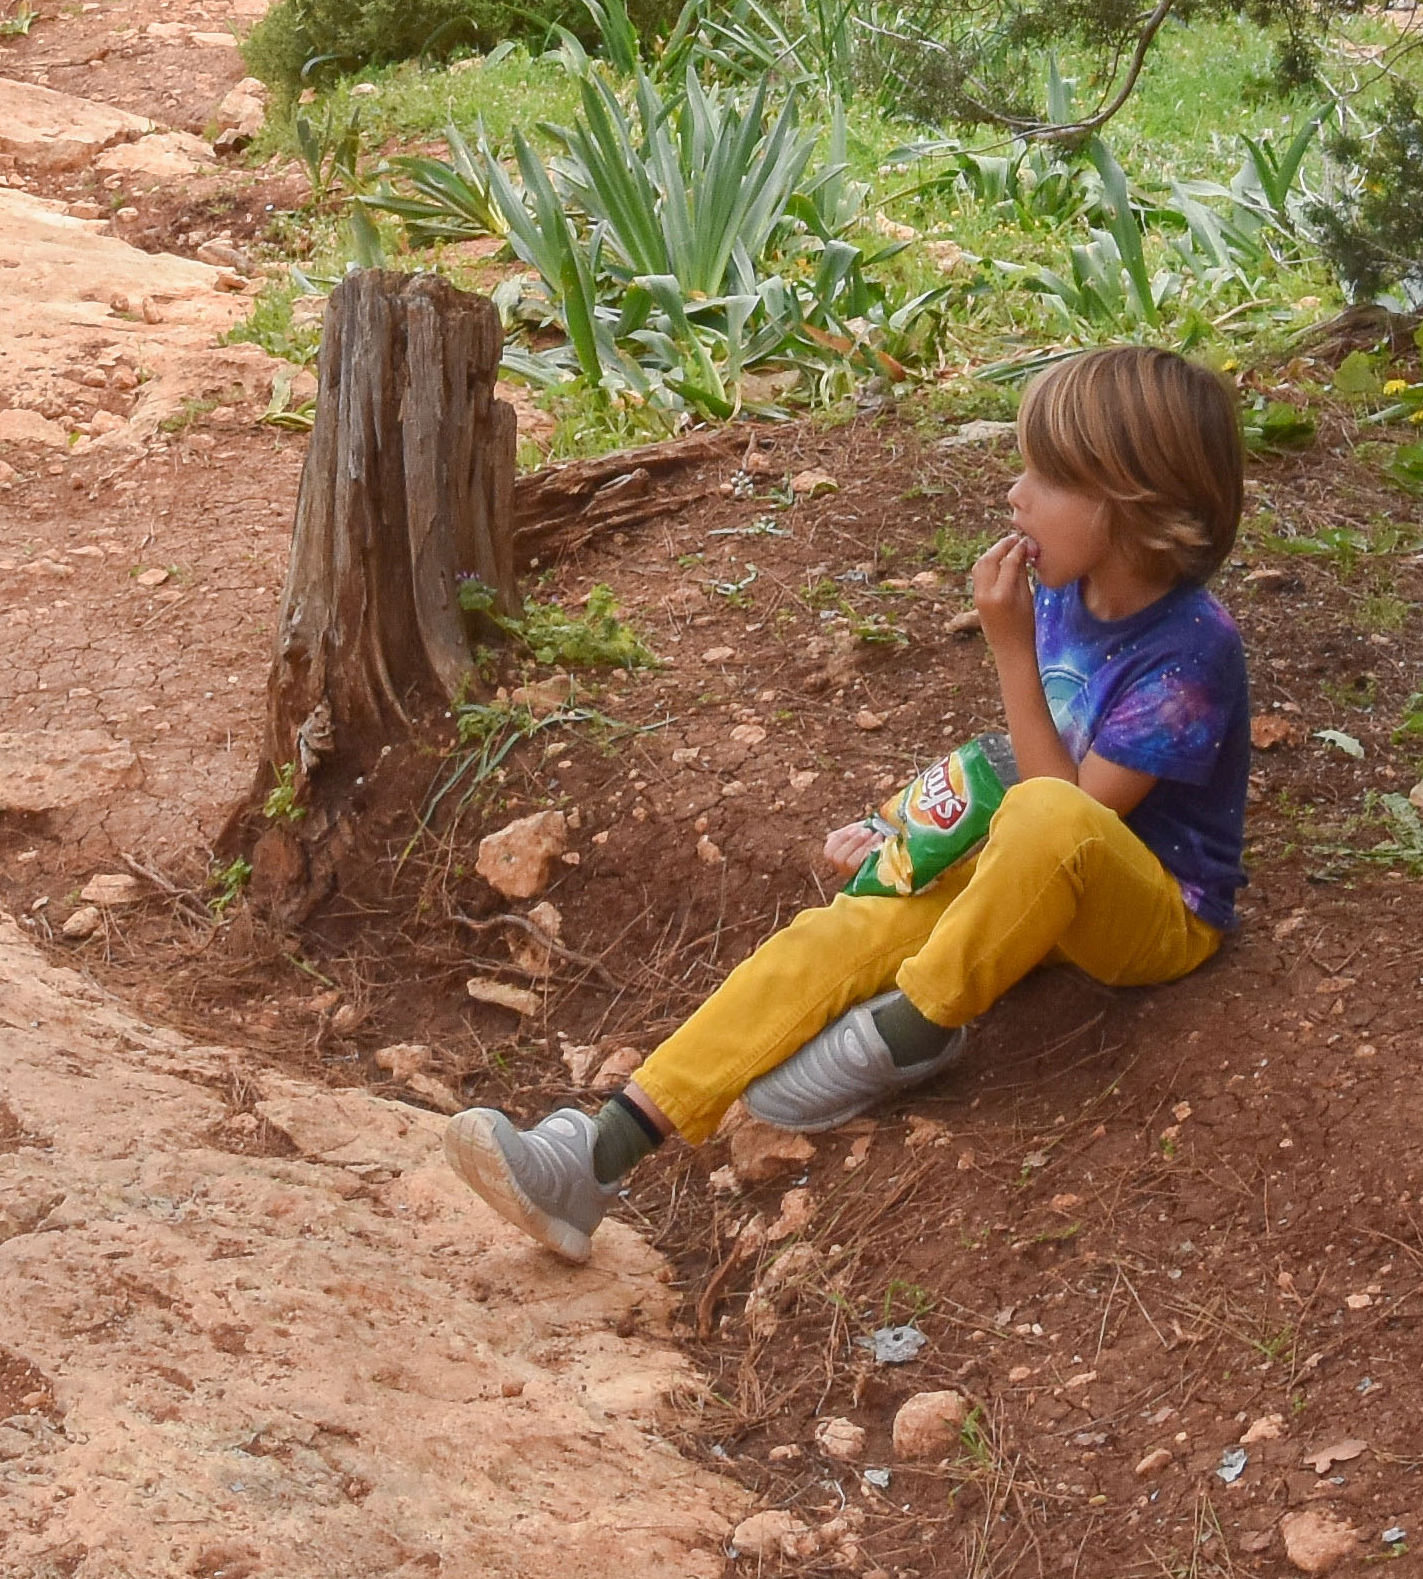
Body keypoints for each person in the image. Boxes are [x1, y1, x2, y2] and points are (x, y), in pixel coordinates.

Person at [445, 344, 1253, 1260]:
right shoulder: (1071, 594)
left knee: (1047, 820)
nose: (1015, 496)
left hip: (1149, 916)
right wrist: (911, 827)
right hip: (1031, 877)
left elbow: (1070, 818)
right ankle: (595, 1156)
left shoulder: (1190, 651)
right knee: (843, 929)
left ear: (1131, 502)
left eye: (1047, 477)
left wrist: (1010, 651)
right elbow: (1017, 768)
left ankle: (917, 1027)